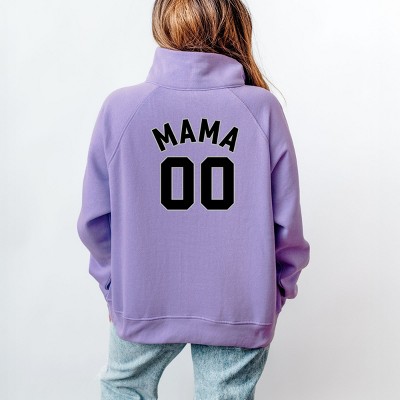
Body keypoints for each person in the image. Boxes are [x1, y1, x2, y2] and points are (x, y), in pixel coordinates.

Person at [76, 0, 311, 398]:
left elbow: (94, 221)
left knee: (124, 387)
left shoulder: (121, 108)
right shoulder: (262, 109)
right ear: (235, 26)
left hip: (144, 296)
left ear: (162, 25)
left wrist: (116, 289)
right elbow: (287, 225)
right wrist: (275, 291)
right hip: (238, 300)